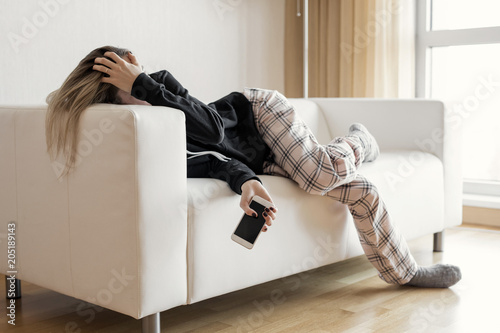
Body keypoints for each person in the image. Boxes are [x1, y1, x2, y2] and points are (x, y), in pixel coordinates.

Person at [46, 46, 461, 288]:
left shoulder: (162, 87)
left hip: (261, 114)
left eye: (132, 90)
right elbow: (211, 160)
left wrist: (146, 85)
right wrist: (246, 183)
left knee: (319, 174)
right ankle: (407, 274)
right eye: (124, 100)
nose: (136, 102)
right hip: (263, 157)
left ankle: (359, 141)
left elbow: (209, 129)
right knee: (361, 190)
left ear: (137, 71)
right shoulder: (144, 138)